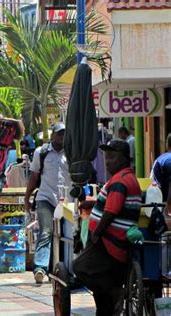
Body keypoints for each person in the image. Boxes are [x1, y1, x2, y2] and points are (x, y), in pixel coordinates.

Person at [73, 140, 141, 315]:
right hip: (116, 240)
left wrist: (96, 232)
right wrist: (95, 203)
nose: (108, 161)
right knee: (101, 289)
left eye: (112, 157)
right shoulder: (126, 177)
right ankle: (107, 304)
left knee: (79, 268)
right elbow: (113, 204)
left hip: (109, 241)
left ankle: (113, 291)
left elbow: (111, 211)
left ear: (124, 159)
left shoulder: (120, 181)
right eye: (106, 157)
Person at [24, 123, 70, 284]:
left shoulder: (72, 152)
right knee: (46, 232)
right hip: (45, 198)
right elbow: (34, 176)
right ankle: (40, 268)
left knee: (67, 235)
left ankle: (61, 268)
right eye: (59, 134)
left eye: (64, 134)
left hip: (66, 201)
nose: (62, 137)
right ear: (52, 136)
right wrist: (27, 198)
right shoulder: (41, 152)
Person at [151, 133, 171, 216]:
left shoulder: (161, 160)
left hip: (164, 205)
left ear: (167, 144)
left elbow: (155, 186)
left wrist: (169, 205)